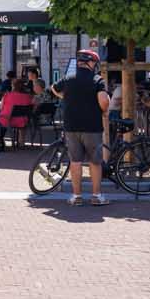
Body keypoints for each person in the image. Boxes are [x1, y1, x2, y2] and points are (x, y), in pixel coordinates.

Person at [51, 50, 110, 206]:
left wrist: (66, 97)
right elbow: (103, 100)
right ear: (91, 63)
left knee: (75, 161)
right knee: (95, 162)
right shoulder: (97, 79)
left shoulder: (68, 78)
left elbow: (54, 88)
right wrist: (104, 111)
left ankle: (76, 196)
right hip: (92, 126)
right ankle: (96, 196)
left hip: (71, 126)